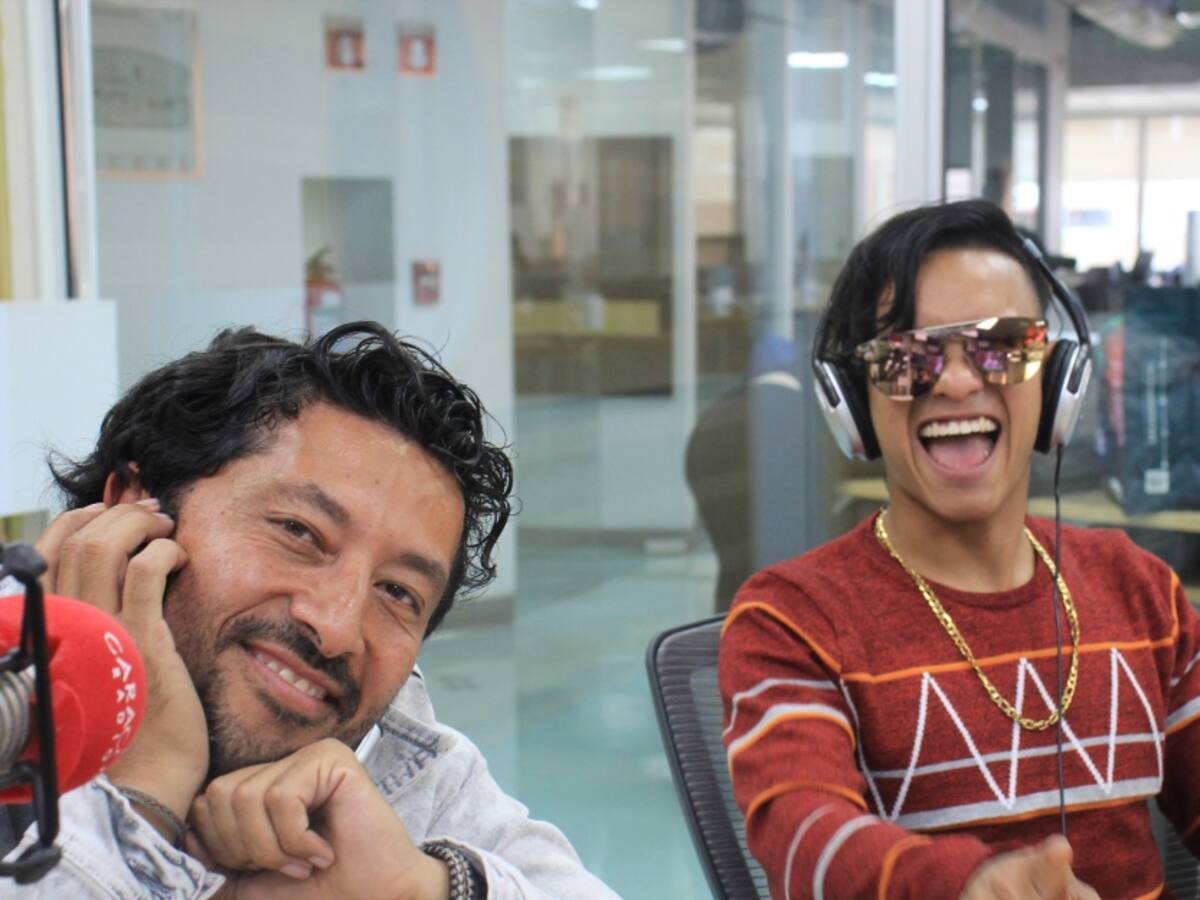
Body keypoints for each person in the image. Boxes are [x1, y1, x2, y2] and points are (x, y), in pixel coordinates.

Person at [1, 322, 619, 899]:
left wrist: (423, 887)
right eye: (299, 531)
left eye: (398, 593)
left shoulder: (390, 752)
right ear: (132, 511)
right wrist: (141, 798)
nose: (337, 627)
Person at [718, 200, 1200, 898]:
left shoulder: (1139, 589)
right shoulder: (791, 618)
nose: (956, 381)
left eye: (999, 346)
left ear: (1057, 376)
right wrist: (971, 887)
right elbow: (805, 842)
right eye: (907, 358)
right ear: (853, 400)